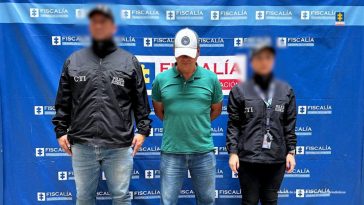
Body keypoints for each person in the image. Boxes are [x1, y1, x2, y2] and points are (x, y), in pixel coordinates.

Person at [52, 5, 151, 205]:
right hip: (82, 144)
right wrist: (60, 130)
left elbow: (140, 100)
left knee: (121, 198)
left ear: (113, 28)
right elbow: (64, 100)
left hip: (119, 145)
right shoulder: (74, 60)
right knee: (84, 199)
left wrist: (143, 130)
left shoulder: (128, 61)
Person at [152, 28, 223, 205]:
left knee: (207, 200)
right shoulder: (161, 79)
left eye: (189, 53)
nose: (185, 58)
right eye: (181, 54)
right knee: (168, 201)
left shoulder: (211, 79)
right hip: (172, 151)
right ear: (174, 53)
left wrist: (198, 123)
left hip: (203, 151)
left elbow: (216, 110)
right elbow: (160, 111)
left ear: (198, 52)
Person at [226, 44, 297, 205]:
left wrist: (291, 152)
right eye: (259, 58)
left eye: (267, 58)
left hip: (276, 160)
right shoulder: (239, 91)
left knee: (271, 202)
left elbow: (289, 124)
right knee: (249, 202)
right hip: (248, 159)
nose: (263, 62)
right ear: (252, 62)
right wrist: (233, 152)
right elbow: (234, 125)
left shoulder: (286, 91)